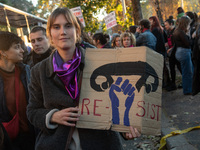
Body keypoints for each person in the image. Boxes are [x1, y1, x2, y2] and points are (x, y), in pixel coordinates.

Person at [27, 7, 140, 150]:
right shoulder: (38, 71)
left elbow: (119, 100)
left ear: (77, 31)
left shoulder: (101, 62)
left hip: (102, 142)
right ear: (50, 33)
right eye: (56, 27)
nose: (63, 32)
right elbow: (32, 111)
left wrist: (127, 126)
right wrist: (52, 116)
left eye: (68, 26)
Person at [0, 31, 35, 150]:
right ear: (3, 52)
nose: (22, 50)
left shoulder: (26, 71)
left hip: (31, 136)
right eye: (16, 47)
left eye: (21, 46)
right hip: (8, 141)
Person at [173, 16, 193, 95]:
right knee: (187, 72)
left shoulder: (176, 30)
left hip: (180, 51)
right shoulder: (180, 32)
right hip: (184, 52)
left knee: (188, 71)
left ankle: (190, 88)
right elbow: (188, 43)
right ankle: (187, 90)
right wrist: (191, 37)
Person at [149, 16, 170, 88]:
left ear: (154, 21)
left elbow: (156, 41)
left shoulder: (154, 30)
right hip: (162, 50)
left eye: (150, 21)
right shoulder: (160, 28)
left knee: (161, 68)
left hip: (158, 50)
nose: (150, 22)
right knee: (164, 67)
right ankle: (167, 82)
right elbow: (165, 38)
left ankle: (165, 83)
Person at [164, 19, 182, 91]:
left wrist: (171, 48)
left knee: (178, 67)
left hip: (175, 53)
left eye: (166, 25)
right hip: (172, 53)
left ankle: (184, 82)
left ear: (171, 24)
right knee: (173, 68)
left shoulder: (175, 31)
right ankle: (173, 83)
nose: (165, 26)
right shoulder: (168, 31)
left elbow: (176, 43)